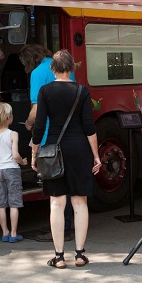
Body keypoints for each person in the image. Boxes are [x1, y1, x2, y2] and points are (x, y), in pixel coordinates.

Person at [31, 50, 102, 269]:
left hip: (54, 150)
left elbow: (40, 125)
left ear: (53, 69)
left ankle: (59, 256)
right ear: (71, 69)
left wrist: (34, 153)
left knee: (57, 203)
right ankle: (80, 254)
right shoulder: (82, 91)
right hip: (80, 149)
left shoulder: (45, 91)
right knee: (80, 202)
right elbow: (89, 127)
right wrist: (96, 155)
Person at [20, 44, 75, 242]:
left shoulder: (36, 73)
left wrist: (27, 124)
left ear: (29, 61)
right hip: (70, 136)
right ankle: (68, 225)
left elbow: (36, 110)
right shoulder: (66, 72)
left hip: (48, 139)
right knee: (68, 186)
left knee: (54, 187)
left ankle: (60, 230)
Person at [0, 102, 28, 243]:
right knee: (14, 203)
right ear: (9, 118)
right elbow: (15, 155)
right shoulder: (13, 134)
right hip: (12, 170)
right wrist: (23, 162)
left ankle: (5, 232)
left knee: (1, 204)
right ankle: (14, 234)